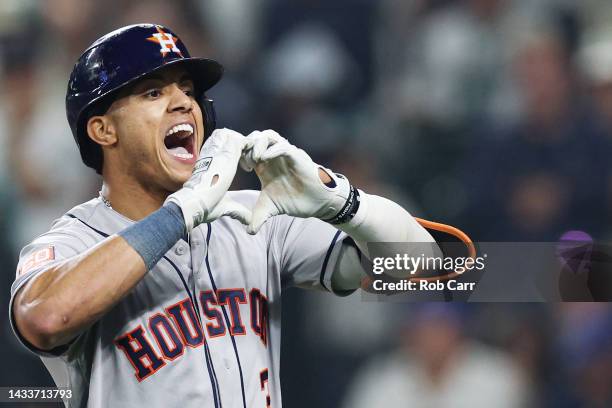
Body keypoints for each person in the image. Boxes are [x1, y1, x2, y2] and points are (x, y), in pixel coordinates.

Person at [9, 24, 435, 407]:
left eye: (188, 90)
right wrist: (183, 211)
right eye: (154, 92)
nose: (183, 103)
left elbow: (434, 269)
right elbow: (46, 318)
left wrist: (341, 201)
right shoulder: (71, 242)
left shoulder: (252, 215)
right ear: (103, 130)